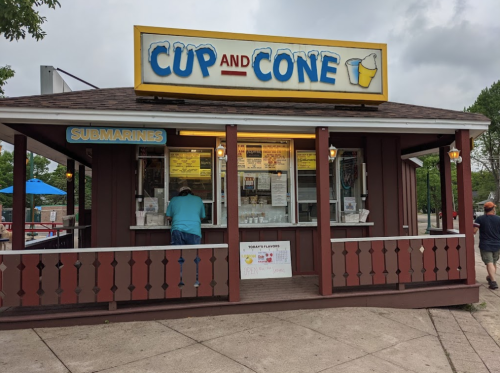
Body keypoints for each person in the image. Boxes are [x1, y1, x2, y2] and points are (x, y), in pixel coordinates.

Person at [474, 202, 500, 290]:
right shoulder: (498, 219)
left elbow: (474, 230)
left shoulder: (480, 219)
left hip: (485, 244)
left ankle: (493, 281)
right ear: (493, 209)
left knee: (489, 262)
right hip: (497, 244)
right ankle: (490, 277)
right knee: (493, 262)